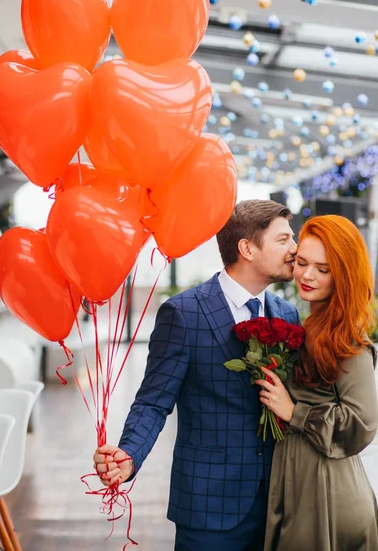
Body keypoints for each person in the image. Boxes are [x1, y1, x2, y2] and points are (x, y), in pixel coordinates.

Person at [93, 199, 300, 551]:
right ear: (247, 248)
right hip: (209, 506)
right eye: (283, 240)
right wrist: (129, 454)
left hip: (278, 503)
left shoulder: (288, 314)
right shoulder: (184, 313)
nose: (294, 249)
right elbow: (153, 402)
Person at [256, 215, 378, 551]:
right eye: (303, 263)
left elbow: (362, 424)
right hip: (302, 481)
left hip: (328, 489)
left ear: (343, 275)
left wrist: (294, 411)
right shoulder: (310, 325)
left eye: (323, 269)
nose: (307, 276)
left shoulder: (348, 341)